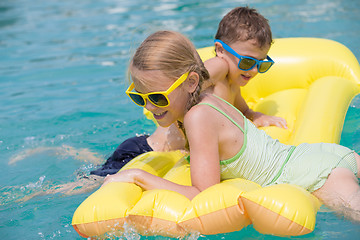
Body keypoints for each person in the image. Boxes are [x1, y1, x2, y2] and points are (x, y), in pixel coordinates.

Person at [103, 30, 360, 222]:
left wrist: (138, 175)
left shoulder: (197, 118)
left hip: (318, 176)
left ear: (192, 82)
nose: (148, 107)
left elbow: (202, 193)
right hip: (317, 156)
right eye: (139, 97)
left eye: (157, 97)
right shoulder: (209, 100)